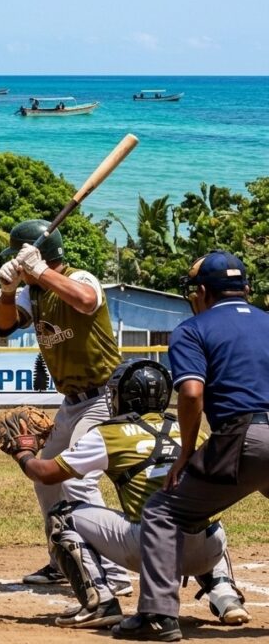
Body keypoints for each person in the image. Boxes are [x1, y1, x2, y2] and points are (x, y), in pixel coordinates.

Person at [10, 359, 247, 630]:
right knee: (200, 511)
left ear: (125, 397)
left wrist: (22, 454)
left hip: (153, 551)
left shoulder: (110, 434)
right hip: (210, 550)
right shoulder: (195, 432)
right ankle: (225, 593)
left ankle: (99, 602)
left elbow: (46, 474)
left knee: (63, 516)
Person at [115, 251, 269, 641]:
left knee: (163, 511)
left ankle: (157, 615)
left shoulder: (194, 328)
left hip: (243, 436)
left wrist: (186, 450)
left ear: (202, 292)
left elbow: (191, 392)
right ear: (246, 289)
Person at [0, 219, 130, 591]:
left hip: (105, 396)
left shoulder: (81, 277)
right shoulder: (31, 294)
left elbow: (85, 301)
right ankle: (64, 558)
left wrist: (37, 270)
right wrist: (7, 292)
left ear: (39, 257)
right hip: (72, 403)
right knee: (45, 478)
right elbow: (2, 327)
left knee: (80, 481)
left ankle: (114, 575)